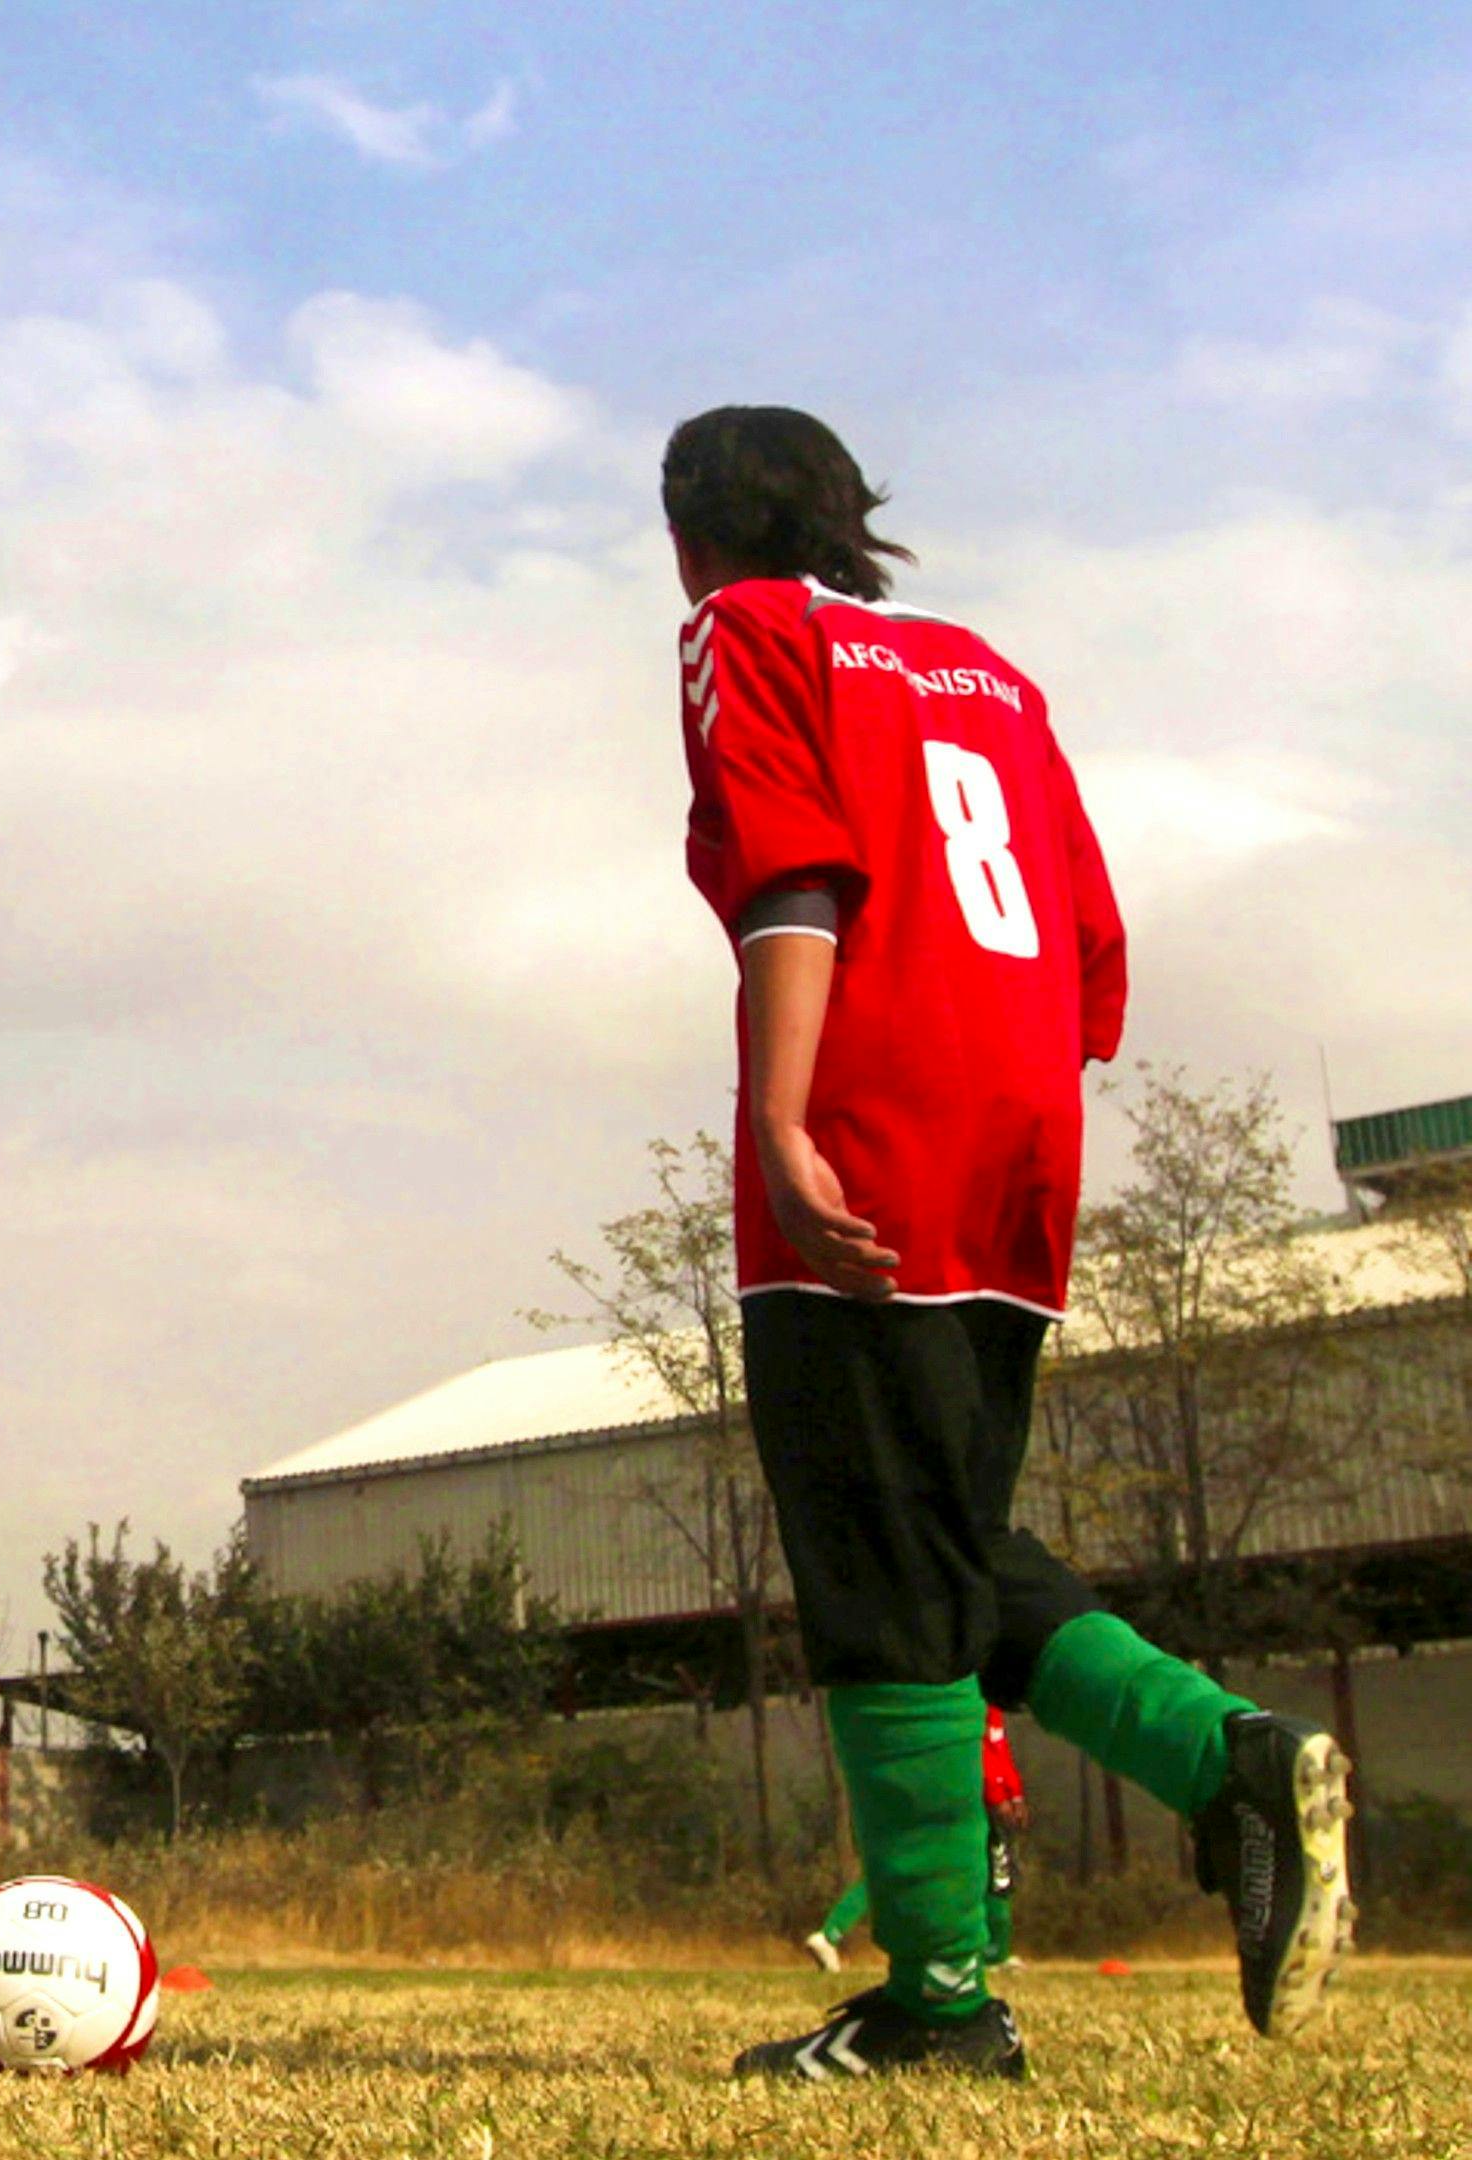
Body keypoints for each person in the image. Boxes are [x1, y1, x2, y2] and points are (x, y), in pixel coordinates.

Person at [665, 408, 1352, 2082]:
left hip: (876, 1114)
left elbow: (796, 884)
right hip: (1021, 1139)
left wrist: (781, 1117)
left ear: (689, 533)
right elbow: (1098, 958)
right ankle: (1224, 1760)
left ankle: (943, 1999)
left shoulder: (744, 632)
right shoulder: (993, 677)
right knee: (949, 1538)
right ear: (849, 519)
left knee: (872, 1559)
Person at [803, 1709, 1026, 1973]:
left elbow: (997, 1747)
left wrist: (1015, 1792)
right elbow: (976, 1748)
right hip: (962, 1793)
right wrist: (999, 1795)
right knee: (993, 1867)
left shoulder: (989, 1702)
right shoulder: (974, 1693)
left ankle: (830, 1933)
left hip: (946, 1787)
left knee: (905, 1863)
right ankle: (992, 1955)